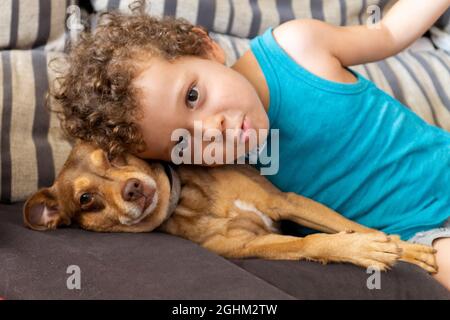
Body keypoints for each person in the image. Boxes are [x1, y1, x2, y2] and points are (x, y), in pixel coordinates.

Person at [52, 0, 450, 290]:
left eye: (193, 95)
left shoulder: (296, 47)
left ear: (206, 48)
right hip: (417, 233)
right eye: (183, 141)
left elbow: (388, 31)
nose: (210, 130)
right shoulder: (219, 175)